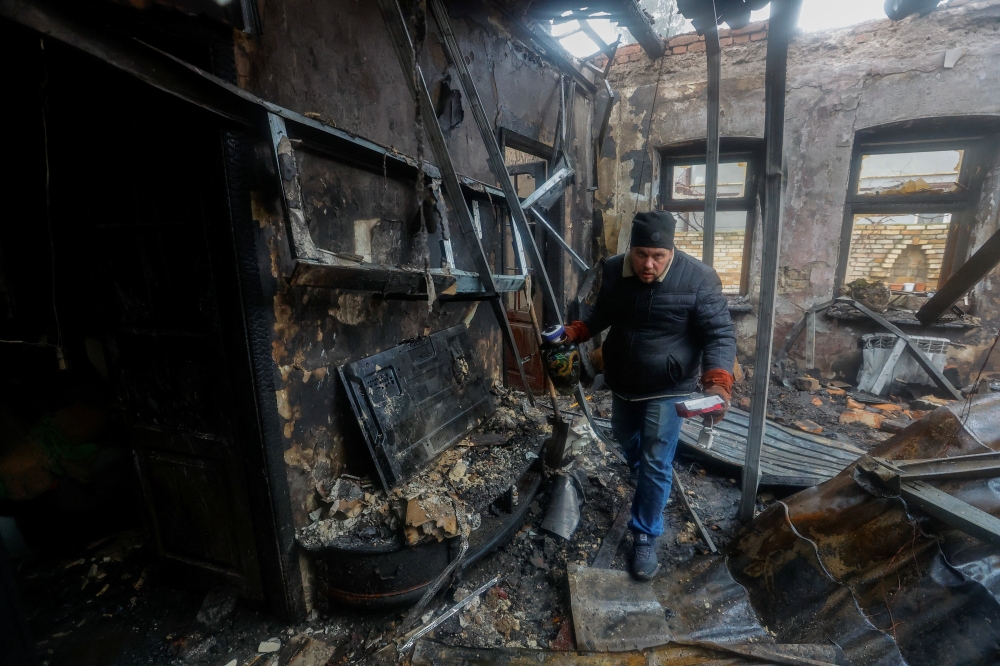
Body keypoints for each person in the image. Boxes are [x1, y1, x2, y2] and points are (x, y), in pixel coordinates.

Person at [563, 210, 736, 580]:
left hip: (669, 385)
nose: (648, 264)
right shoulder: (615, 269)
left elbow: (719, 334)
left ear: (671, 251)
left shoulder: (699, 278)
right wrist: (576, 331)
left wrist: (718, 379)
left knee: (657, 459)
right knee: (625, 436)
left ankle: (645, 534)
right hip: (623, 381)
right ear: (631, 249)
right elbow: (603, 312)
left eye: (658, 256)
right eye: (641, 254)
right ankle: (648, 479)